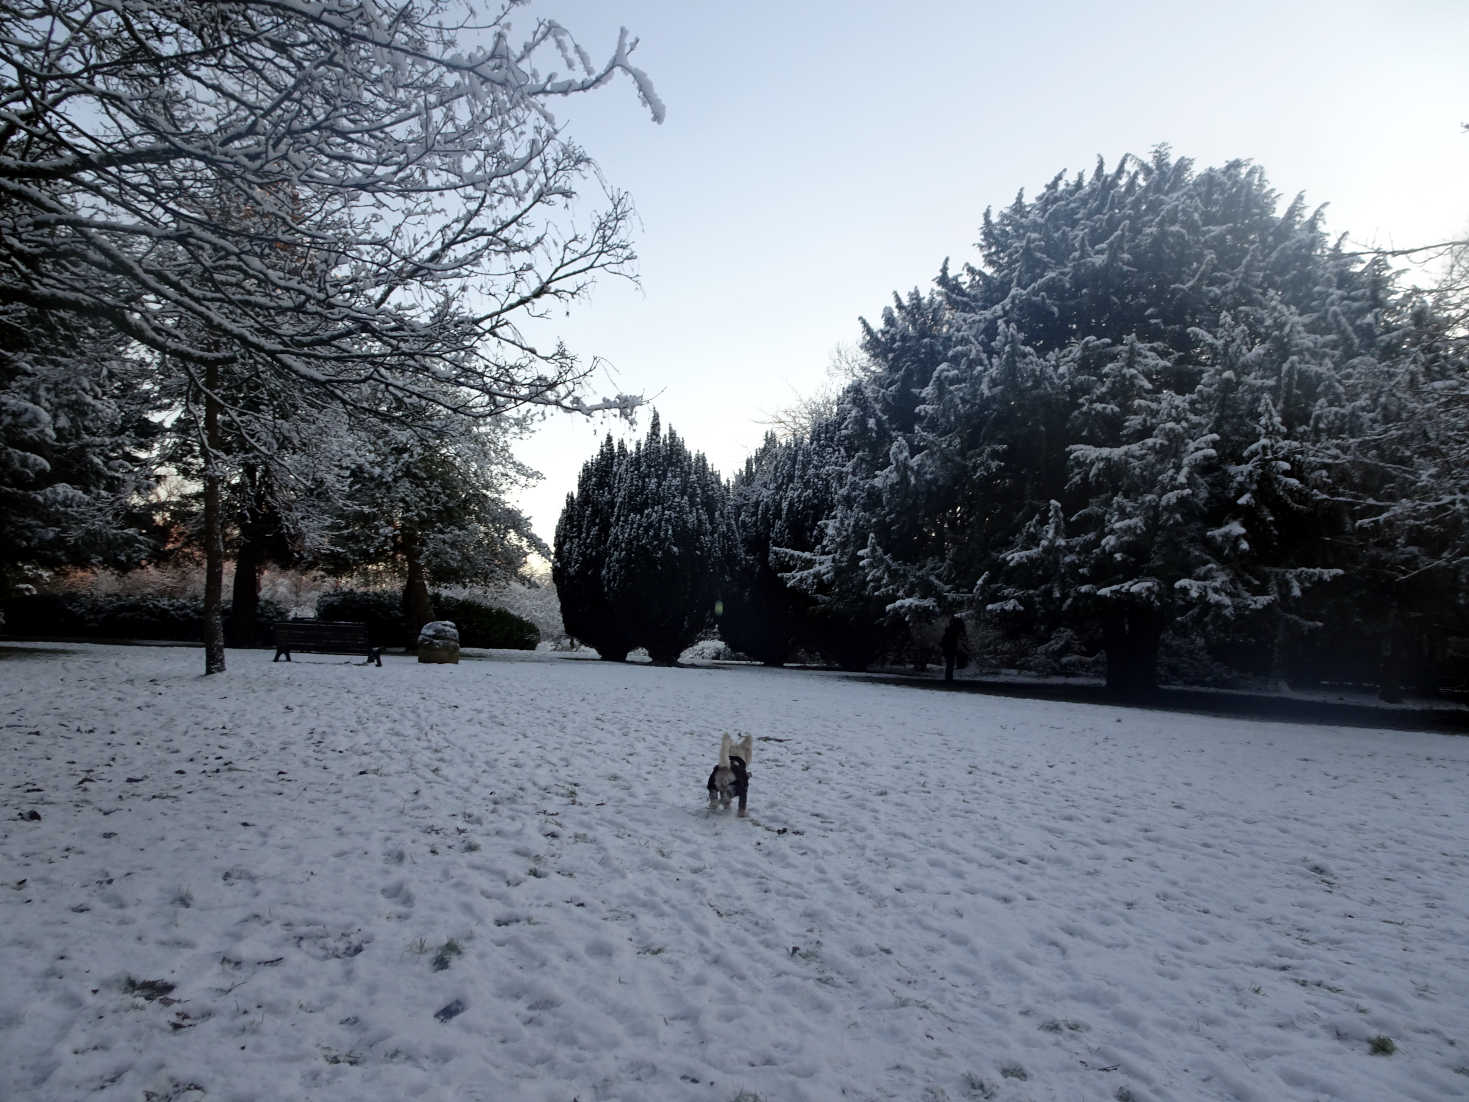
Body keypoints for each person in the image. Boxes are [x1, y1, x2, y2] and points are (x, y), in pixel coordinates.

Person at [940, 614, 968, 682]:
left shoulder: (949, 632)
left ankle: (949, 678)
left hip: (949, 649)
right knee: (950, 663)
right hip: (950, 649)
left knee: (950, 663)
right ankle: (949, 678)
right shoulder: (952, 632)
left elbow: (944, 641)